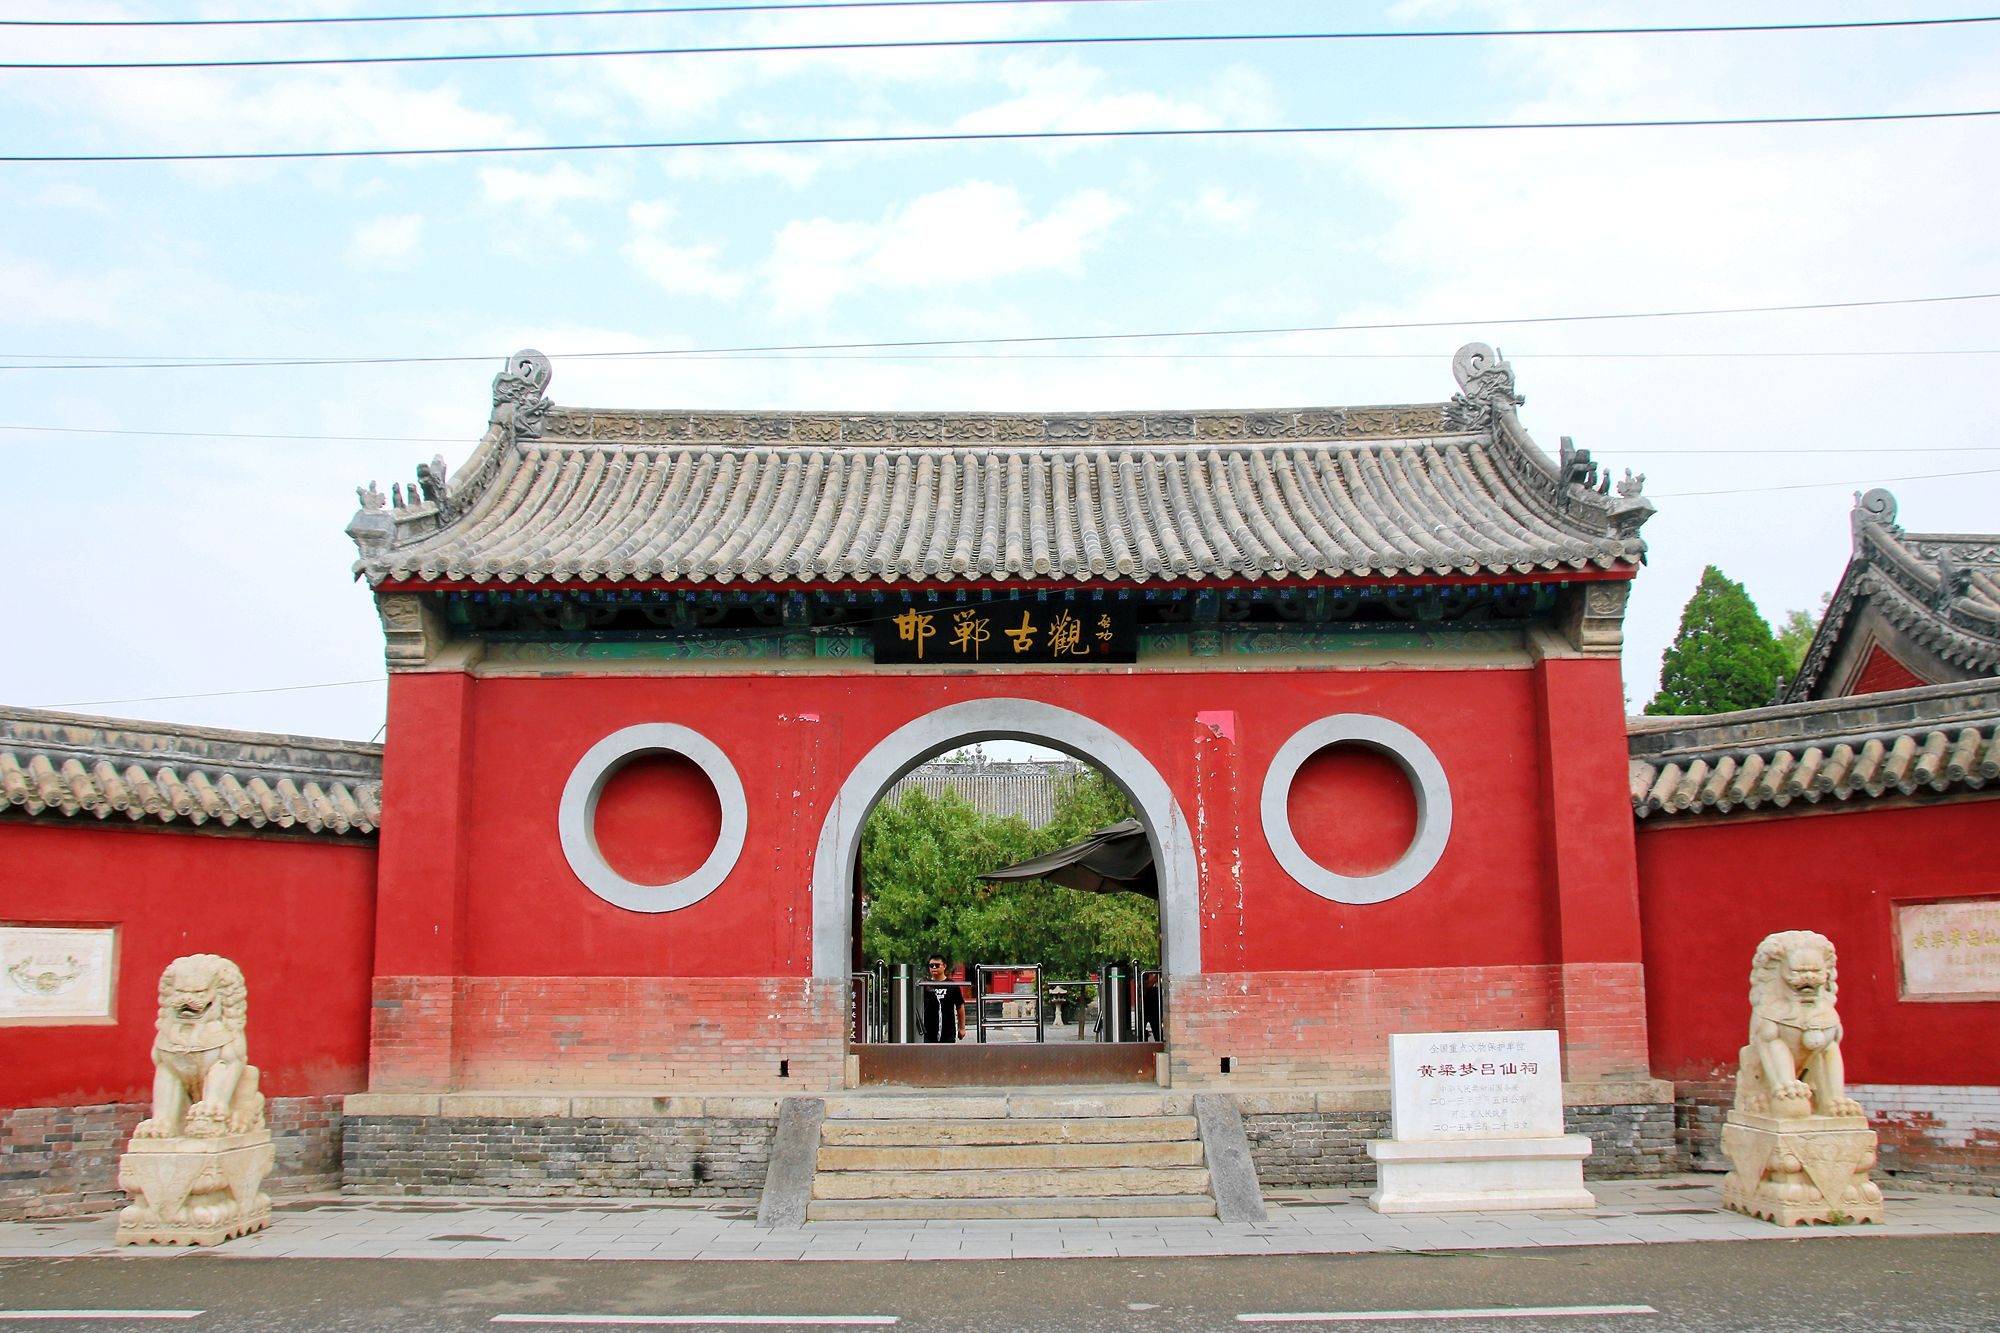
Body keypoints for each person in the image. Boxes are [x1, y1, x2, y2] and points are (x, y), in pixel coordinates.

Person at [920, 955, 965, 1043]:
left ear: (944, 966)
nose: (933, 968)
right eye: (931, 965)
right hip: (928, 1030)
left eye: (937, 965)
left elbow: (960, 1006)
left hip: (948, 1030)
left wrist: (962, 1028)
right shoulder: (924, 985)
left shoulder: (952, 985)